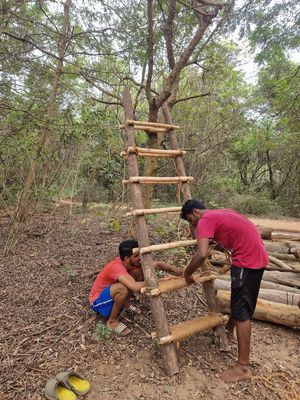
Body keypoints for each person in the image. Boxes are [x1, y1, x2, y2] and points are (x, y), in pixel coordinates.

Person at [181, 199, 268, 383]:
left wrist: (187, 273)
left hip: (247, 261)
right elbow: (236, 231)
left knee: (242, 312)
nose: (195, 226)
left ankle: (243, 367)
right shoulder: (221, 212)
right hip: (256, 257)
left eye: (192, 221)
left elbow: (202, 253)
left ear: (196, 212)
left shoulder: (204, 219)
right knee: (240, 303)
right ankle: (229, 331)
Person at [89, 239, 182, 334]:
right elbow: (134, 287)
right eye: (136, 256)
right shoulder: (116, 267)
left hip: (109, 296)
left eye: (139, 254)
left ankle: (125, 304)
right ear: (127, 259)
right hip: (97, 302)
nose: (140, 258)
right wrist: (162, 280)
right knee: (122, 288)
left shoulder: (132, 263)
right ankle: (112, 321)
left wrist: (179, 272)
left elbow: (158, 264)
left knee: (139, 271)